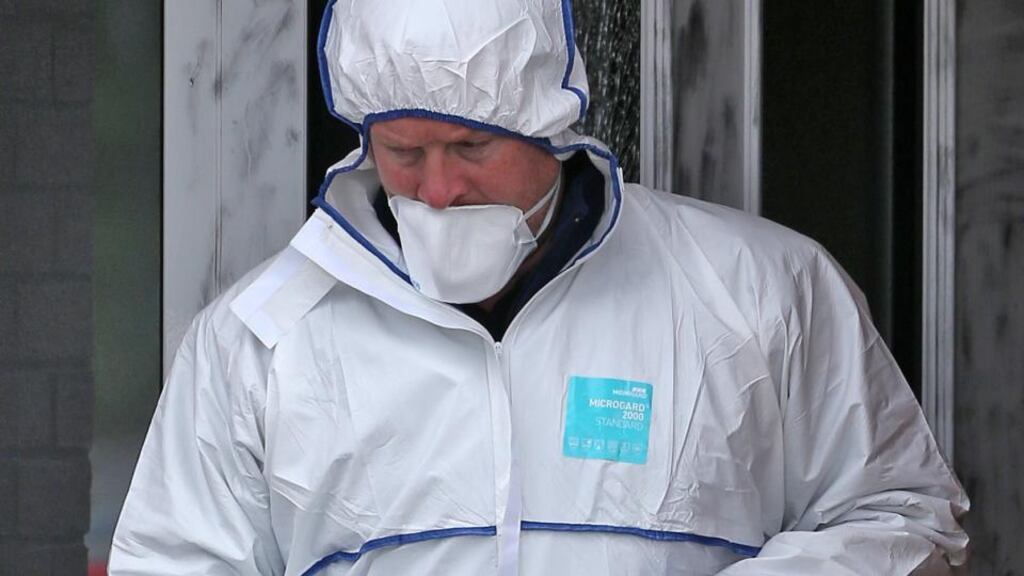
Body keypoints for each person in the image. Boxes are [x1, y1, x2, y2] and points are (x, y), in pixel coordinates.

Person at [109, 0, 969, 574]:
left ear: (551, 127)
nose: (438, 189)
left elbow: (902, 520)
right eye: (403, 153)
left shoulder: (756, 291)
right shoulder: (262, 338)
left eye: (472, 148)